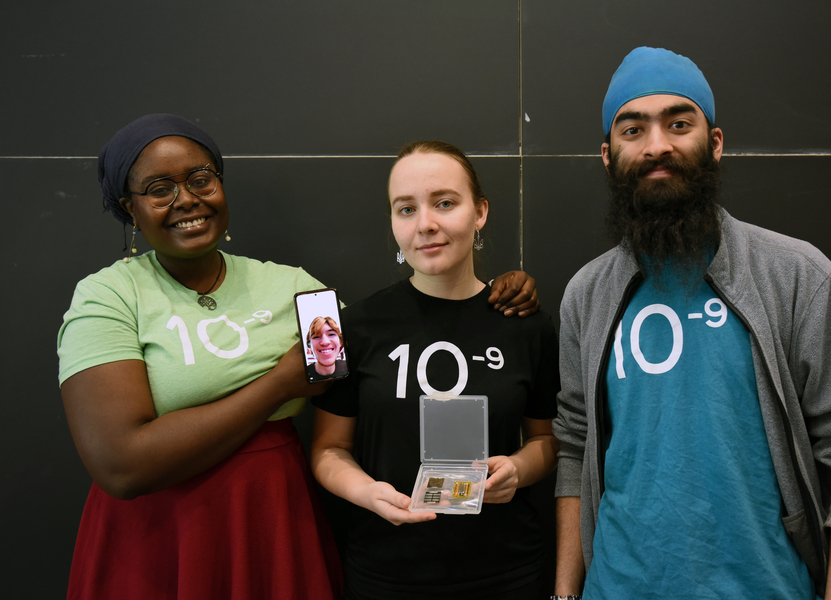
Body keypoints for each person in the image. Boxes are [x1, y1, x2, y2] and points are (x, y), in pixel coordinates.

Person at [57, 114, 540, 600]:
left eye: (200, 179)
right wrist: (280, 383)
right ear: (130, 209)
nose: (186, 199)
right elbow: (120, 464)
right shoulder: (108, 296)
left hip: (270, 521)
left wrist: (498, 297)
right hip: (160, 535)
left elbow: (390, 343)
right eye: (160, 188)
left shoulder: (294, 288)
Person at [552, 47, 831, 600]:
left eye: (679, 123)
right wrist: (565, 593)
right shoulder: (586, 295)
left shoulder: (798, 277)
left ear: (714, 143)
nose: (657, 145)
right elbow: (575, 444)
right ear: (607, 154)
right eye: (633, 129)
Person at [310, 140, 561, 600]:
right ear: (392, 221)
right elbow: (328, 450)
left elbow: (547, 441)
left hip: (506, 570)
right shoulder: (357, 326)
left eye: (445, 203)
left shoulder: (526, 325)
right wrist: (368, 493)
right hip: (387, 572)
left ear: (479, 212)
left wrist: (518, 470)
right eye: (406, 209)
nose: (425, 224)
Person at [306, 315, 348, 381]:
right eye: (316, 337)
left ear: (340, 342)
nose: (325, 342)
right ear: (309, 345)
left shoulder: (350, 367)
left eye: (331, 334)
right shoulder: (303, 375)